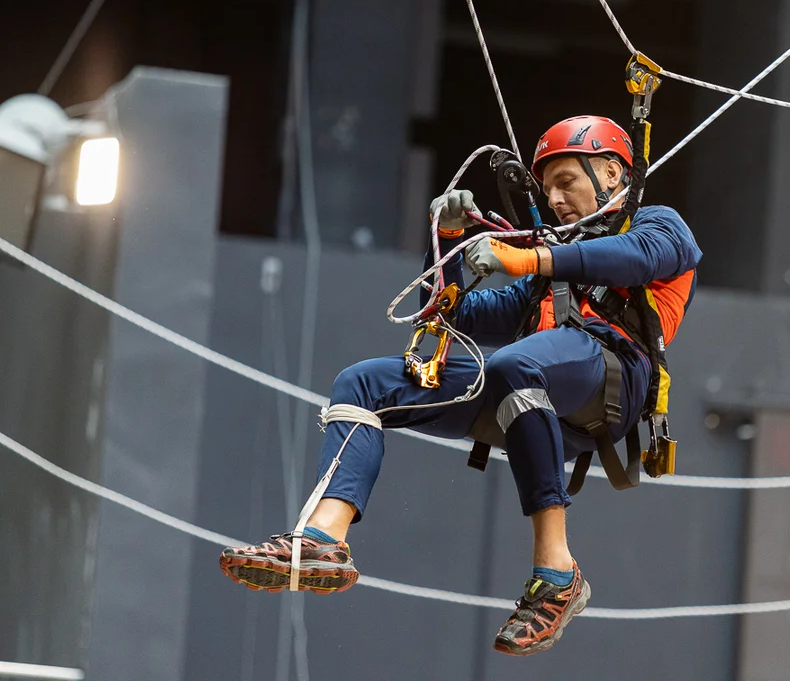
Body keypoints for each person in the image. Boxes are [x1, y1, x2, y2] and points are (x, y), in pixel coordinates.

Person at [219, 115, 702, 655]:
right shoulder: (548, 281)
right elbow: (454, 313)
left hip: (612, 381)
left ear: (612, 172)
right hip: (534, 391)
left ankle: (557, 572)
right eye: (547, 187)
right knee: (365, 383)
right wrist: (447, 241)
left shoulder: (661, 226)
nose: (554, 197)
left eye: (566, 180)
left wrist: (531, 257)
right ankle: (325, 537)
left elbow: (633, 258)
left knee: (517, 364)